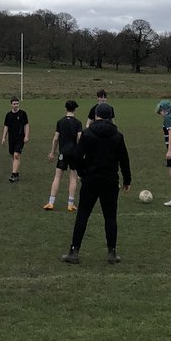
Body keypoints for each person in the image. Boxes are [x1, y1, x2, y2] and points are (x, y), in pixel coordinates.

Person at [60, 103, 131, 265]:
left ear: (97, 115)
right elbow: (124, 160)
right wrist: (127, 180)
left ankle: (74, 252)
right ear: (111, 116)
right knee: (110, 217)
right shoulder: (117, 136)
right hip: (110, 180)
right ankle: (112, 253)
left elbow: (77, 158)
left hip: (91, 180)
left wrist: (83, 174)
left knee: (83, 215)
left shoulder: (88, 134)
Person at [44, 100, 82, 211]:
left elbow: (56, 138)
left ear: (65, 109)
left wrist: (52, 152)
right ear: (75, 109)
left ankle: (51, 202)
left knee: (57, 177)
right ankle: (70, 204)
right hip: (74, 154)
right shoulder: (78, 123)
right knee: (73, 178)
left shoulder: (60, 122)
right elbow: (80, 137)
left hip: (63, 154)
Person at [1, 96, 30, 182]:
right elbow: (6, 126)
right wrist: (3, 137)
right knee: (12, 156)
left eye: (17, 103)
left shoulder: (23, 114)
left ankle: (13, 175)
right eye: (14, 104)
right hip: (11, 139)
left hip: (20, 138)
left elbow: (26, 125)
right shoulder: (8, 115)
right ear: (11, 105)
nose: (16, 105)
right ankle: (16, 173)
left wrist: (26, 136)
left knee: (16, 155)